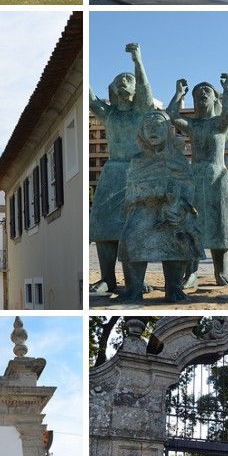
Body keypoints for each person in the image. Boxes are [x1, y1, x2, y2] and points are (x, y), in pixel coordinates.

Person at [89, 42, 154, 294]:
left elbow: (146, 91)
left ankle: (135, 278)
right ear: (113, 90)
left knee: (137, 227)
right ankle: (108, 277)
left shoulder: (141, 112)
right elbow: (91, 99)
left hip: (137, 172)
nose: (123, 83)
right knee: (104, 226)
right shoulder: (110, 115)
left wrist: (137, 61)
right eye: (119, 81)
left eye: (128, 80)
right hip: (113, 173)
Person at [117, 110, 200, 302]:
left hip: (172, 211)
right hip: (143, 210)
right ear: (142, 132)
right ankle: (134, 288)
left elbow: (188, 185)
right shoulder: (137, 160)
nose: (153, 130)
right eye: (148, 127)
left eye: (158, 126)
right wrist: (151, 193)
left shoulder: (178, 159)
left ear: (168, 130)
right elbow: (131, 190)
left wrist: (179, 205)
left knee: (178, 234)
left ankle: (174, 287)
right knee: (130, 236)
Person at [169, 74, 228, 288]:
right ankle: (191, 273)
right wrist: (179, 93)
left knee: (221, 224)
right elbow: (172, 115)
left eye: (206, 91)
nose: (201, 94)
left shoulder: (220, 123)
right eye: (197, 93)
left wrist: (227, 89)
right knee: (193, 225)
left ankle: (221, 271)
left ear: (215, 98)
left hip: (218, 176)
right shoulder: (193, 125)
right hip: (196, 175)